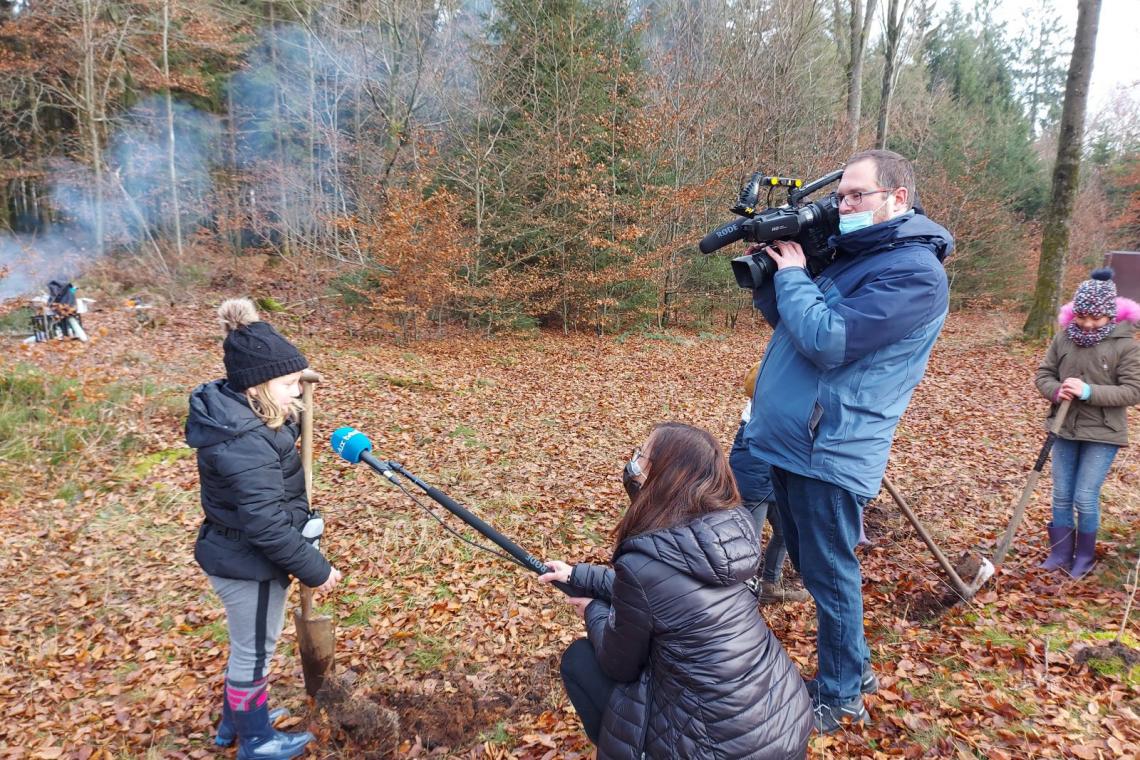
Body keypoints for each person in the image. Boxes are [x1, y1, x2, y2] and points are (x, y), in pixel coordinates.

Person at [743, 149, 952, 733]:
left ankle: (839, 698)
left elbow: (828, 340)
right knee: (814, 569)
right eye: (843, 195)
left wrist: (794, 277)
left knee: (831, 579)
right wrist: (777, 274)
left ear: (898, 199)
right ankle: (853, 673)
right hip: (793, 441)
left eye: (859, 194)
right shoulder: (856, 257)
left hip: (831, 446)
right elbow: (792, 323)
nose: (845, 205)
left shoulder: (913, 273)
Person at [539, 422, 813, 759]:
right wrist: (578, 574)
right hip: (784, 719)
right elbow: (658, 593)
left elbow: (618, 662)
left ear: (668, 475)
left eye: (642, 456)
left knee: (580, 660)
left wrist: (592, 611)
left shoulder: (647, 562)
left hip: (722, 749)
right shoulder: (721, 533)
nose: (634, 465)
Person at [187, 298, 342, 760]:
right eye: (290, 383)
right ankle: (256, 741)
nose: (298, 391)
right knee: (255, 652)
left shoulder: (244, 414)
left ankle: (232, 723)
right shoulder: (244, 441)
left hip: (241, 554)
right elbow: (265, 523)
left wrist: (297, 390)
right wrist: (316, 569)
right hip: (247, 564)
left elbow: (273, 452)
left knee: (248, 648)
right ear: (259, 385)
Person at [1033, 268, 1140, 578]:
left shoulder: (1126, 345)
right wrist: (1056, 390)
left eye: (1096, 318)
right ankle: (1061, 552)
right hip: (1064, 426)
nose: (1088, 323)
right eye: (1082, 315)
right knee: (1062, 493)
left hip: (1103, 432)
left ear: (1110, 315)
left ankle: (1084, 556)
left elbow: (1133, 390)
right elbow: (1044, 374)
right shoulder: (1064, 337)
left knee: (1084, 495)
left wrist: (1088, 391)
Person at [729, 360, 810, 605]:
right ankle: (741, 596)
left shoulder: (780, 402)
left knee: (787, 531)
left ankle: (769, 584)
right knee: (748, 544)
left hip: (772, 482)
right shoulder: (761, 411)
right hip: (754, 484)